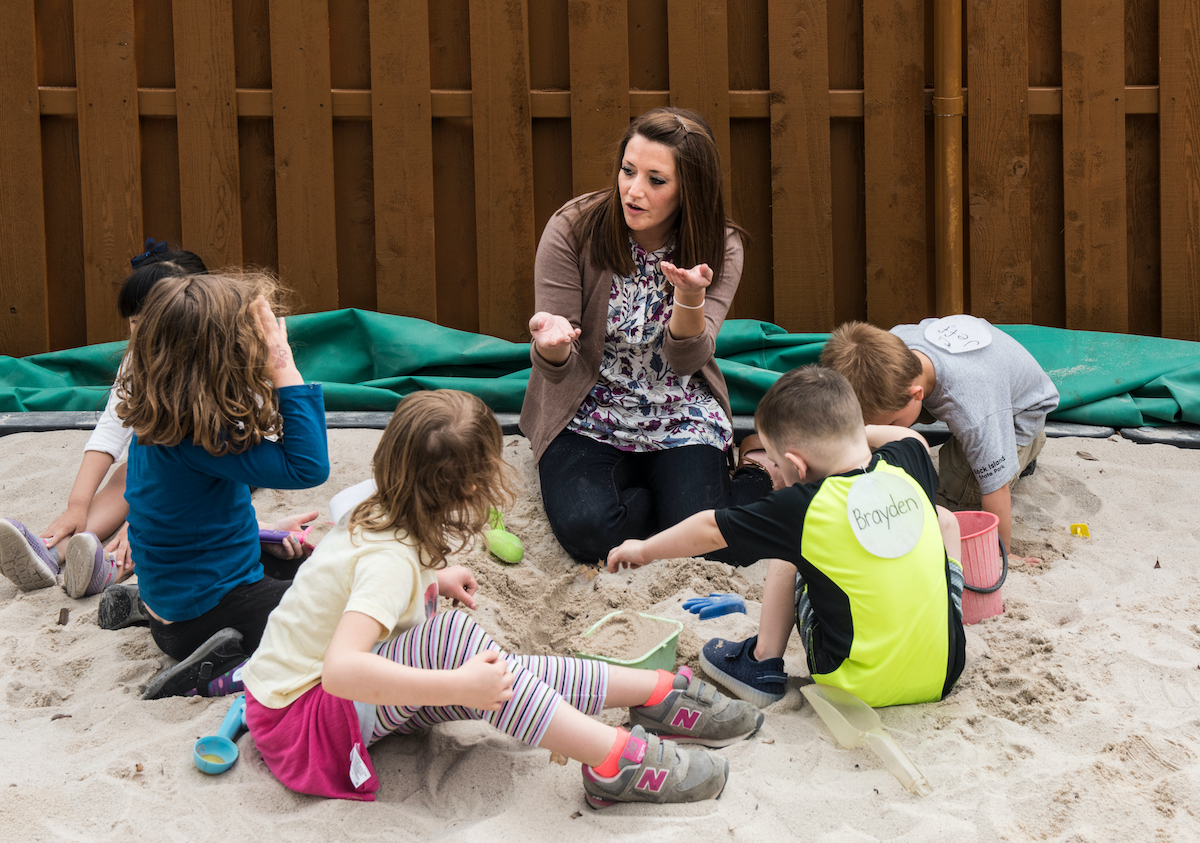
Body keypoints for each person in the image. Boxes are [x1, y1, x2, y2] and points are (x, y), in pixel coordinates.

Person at [241, 390, 763, 805]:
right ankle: (614, 759)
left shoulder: (381, 506)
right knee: (456, 645)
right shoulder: (389, 563)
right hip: (301, 728)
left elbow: (353, 581)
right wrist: (457, 685)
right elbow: (340, 670)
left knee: (495, 671)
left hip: (301, 706)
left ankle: (654, 693)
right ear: (472, 490)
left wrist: (433, 582)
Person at [608, 366, 966, 709]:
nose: (776, 473)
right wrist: (850, 433)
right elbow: (909, 435)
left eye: (777, 464)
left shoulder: (804, 507)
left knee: (790, 546)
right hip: (944, 673)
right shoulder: (909, 460)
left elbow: (709, 528)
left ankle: (762, 661)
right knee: (941, 521)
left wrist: (645, 548)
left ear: (799, 464)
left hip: (854, 685)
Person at [521, 107, 775, 565]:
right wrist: (551, 345)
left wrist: (690, 298)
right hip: (588, 412)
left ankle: (756, 468)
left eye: (656, 180)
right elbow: (556, 371)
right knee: (590, 534)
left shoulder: (722, 244)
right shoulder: (573, 227)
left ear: (689, 190)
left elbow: (685, 360)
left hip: (680, 411)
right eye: (628, 170)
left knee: (716, 553)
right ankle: (673, 507)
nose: (633, 190)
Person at [108, 271, 329, 699]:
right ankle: (221, 671)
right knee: (330, 605)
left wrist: (260, 533)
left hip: (179, 602)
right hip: (203, 623)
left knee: (316, 563)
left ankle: (143, 609)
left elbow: (182, 522)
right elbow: (308, 467)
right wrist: (285, 366)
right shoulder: (202, 438)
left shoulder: (164, 421)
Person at [0, 242, 208, 598]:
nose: (143, 337)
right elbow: (112, 430)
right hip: (166, 457)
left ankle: (112, 567)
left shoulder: (217, 361)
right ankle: (54, 553)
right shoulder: (140, 359)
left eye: (155, 323)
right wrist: (76, 507)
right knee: (127, 474)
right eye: (135, 324)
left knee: (160, 516)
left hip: (223, 463)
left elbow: (210, 458)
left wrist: (141, 519)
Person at [820, 316, 1059, 562]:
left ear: (917, 394)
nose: (885, 432)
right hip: (984, 378)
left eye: (890, 424)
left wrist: (1002, 554)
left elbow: (995, 488)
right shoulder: (894, 346)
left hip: (1021, 411)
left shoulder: (973, 408)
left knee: (963, 493)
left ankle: (1026, 448)